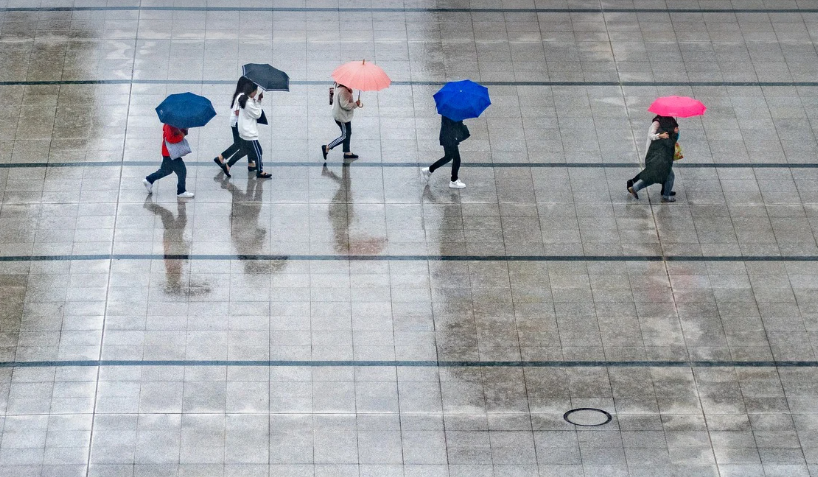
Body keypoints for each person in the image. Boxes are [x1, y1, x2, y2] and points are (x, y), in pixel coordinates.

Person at [627, 115, 678, 197]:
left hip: (660, 155)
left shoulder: (666, 124)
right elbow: (652, 136)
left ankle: (665, 191)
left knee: (655, 175)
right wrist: (662, 136)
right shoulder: (657, 124)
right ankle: (665, 195)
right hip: (656, 156)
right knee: (661, 175)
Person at [213, 76, 255, 176]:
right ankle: (229, 163)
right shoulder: (241, 95)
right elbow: (237, 112)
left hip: (236, 123)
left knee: (240, 144)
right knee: (245, 145)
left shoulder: (242, 94)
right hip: (238, 124)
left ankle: (221, 158)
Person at [143, 124, 194, 198]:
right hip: (171, 153)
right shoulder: (169, 126)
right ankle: (181, 191)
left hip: (168, 152)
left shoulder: (172, 124)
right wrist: (181, 136)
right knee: (182, 171)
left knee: (166, 170)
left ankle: (149, 180)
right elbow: (170, 139)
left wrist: (184, 130)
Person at [420, 115, 470, 189]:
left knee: (449, 157)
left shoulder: (448, 111)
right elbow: (456, 124)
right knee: (456, 159)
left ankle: (429, 170)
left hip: (447, 136)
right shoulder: (453, 112)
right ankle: (453, 181)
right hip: (450, 138)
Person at [238, 83, 272, 179]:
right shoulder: (248, 103)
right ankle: (260, 171)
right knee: (258, 152)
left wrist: (258, 100)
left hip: (245, 130)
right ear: (252, 92)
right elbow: (257, 114)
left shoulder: (244, 99)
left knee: (252, 150)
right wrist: (259, 102)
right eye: (255, 91)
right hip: (250, 132)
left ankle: (252, 165)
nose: (256, 92)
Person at [321, 83, 361, 160]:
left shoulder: (339, 87)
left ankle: (347, 152)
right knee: (345, 136)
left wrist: (348, 92)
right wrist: (356, 104)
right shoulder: (344, 91)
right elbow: (345, 105)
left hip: (342, 115)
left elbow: (332, 99)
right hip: (342, 117)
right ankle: (327, 147)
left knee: (348, 132)